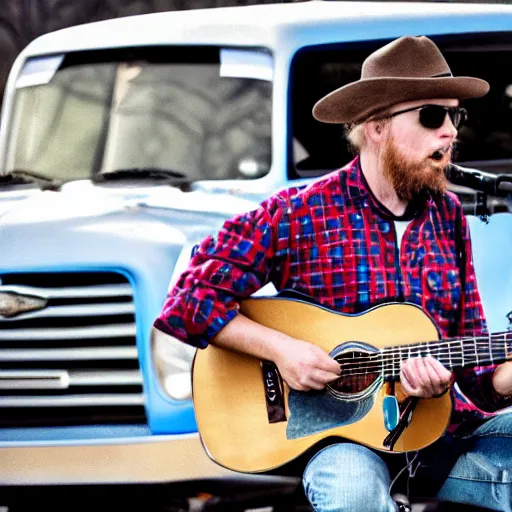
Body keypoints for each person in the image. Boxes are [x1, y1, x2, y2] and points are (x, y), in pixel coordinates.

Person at [154, 36, 512, 511]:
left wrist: (485, 378)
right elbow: (189, 299)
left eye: (455, 116)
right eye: (431, 116)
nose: (449, 131)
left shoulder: (448, 217)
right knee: (354, 495)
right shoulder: (299, 213)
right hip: (340, 442)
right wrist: (283, 351)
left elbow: (477, 373)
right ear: (377, 126)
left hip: (440, 432)